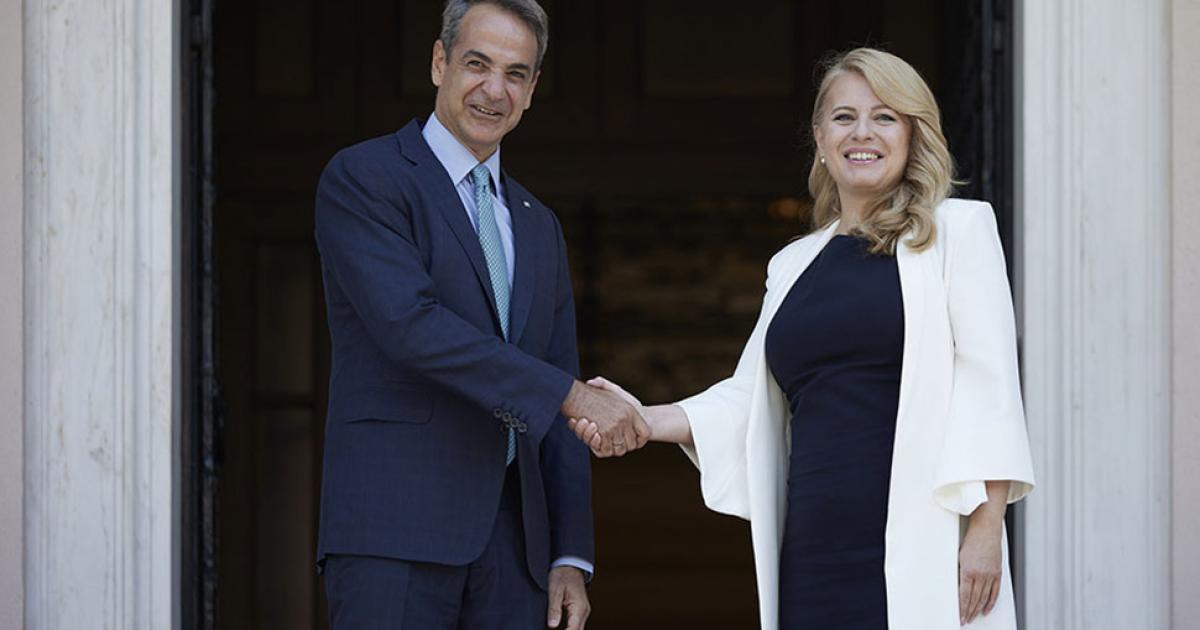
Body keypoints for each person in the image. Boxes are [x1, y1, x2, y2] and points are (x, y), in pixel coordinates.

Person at [569, 48, 1036, 630]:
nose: (862, 133)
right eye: (844, 117)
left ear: (914, 134)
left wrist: (986, 531)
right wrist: (643, 418)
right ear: (820, 136)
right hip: (814, 546)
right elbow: (748, 399)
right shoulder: (793, 265)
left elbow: (989, 387)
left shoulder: (957, 232)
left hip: (925, 541)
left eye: (885, 117)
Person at [313, 1, 649, 628]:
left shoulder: (539, 225)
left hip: (515, 552)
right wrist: (573, 396)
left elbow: (558, 372)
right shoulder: (366, 178)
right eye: (477, 64)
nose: (495, 90)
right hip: (395, 534)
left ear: (533, 89)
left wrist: (569, 554)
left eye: (515, 74)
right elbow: (412, 328)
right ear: (439, 63)